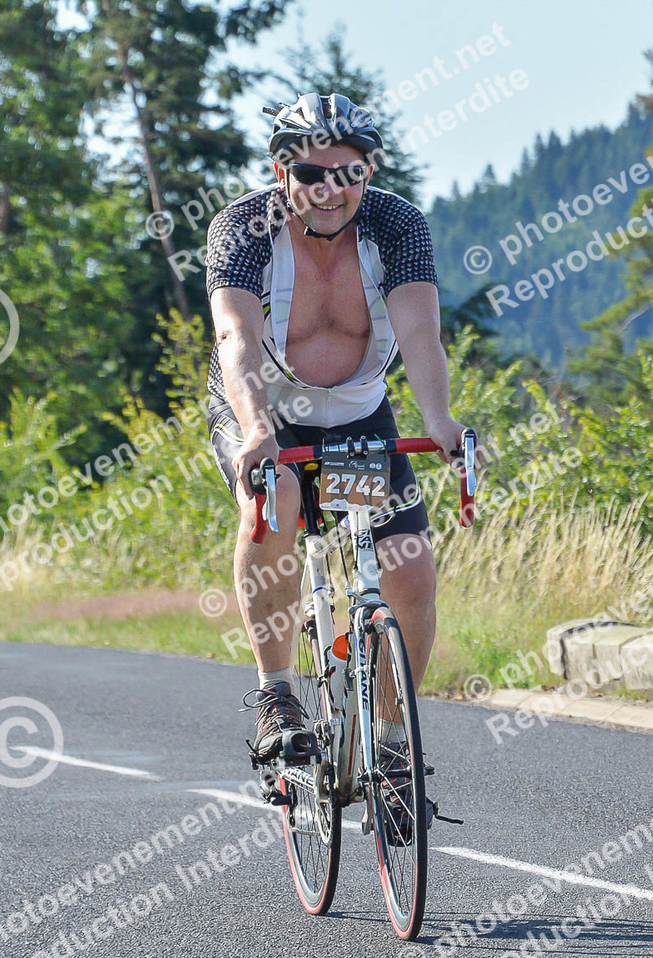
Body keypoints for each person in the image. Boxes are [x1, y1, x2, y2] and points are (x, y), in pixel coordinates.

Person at [203, 92, 470, 771]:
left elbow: (420, 332)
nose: (330, 190)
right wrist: (256, 429)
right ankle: (276, 695)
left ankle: (391, 746)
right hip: (265, 410)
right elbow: (236, 337)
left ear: (368, 173)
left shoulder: (396, 224)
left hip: (355, 414)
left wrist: (439, 420)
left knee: (408, 568)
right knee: (279, 498)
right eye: (311, 174)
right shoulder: (244, 227)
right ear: (281, 172)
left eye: (348, 173)